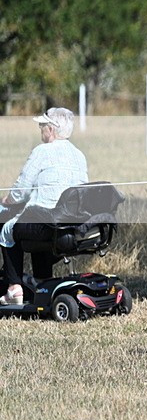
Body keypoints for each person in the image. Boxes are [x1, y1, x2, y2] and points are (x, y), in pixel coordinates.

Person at [0, 108, 88, 305]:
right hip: (71, 223)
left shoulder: (42, 151)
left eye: (42, 125)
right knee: (36, 223)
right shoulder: (79, 155)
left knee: (7, 228)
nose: (40, 128)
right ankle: (43, 282)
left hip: (48, 223)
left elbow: (21, 191)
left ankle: (14, 289)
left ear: (51, 129)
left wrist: (7, 200)